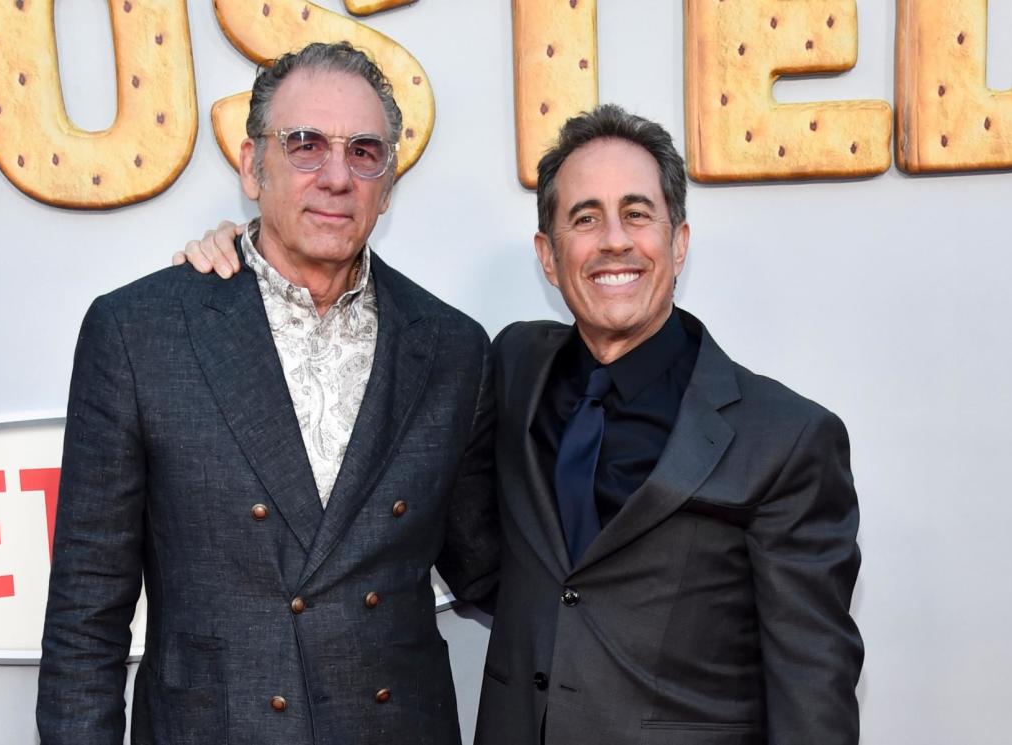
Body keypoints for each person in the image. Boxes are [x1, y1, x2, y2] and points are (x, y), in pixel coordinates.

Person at [179, 105, 863, 744]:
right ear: (547, 253)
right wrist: (244, 257)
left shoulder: (788, 438)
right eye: (586, 218)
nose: (614, 241)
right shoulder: (506, 366)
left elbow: (813, 692)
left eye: (637, 213)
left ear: (678, 242)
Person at [38, 42, 498, 745]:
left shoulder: (453, 348)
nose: (337, 177)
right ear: (253, 167)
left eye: (365, 152)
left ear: (389, 181)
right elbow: (84, 619)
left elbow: (490, 567)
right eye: (305, 144)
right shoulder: (140, 333)